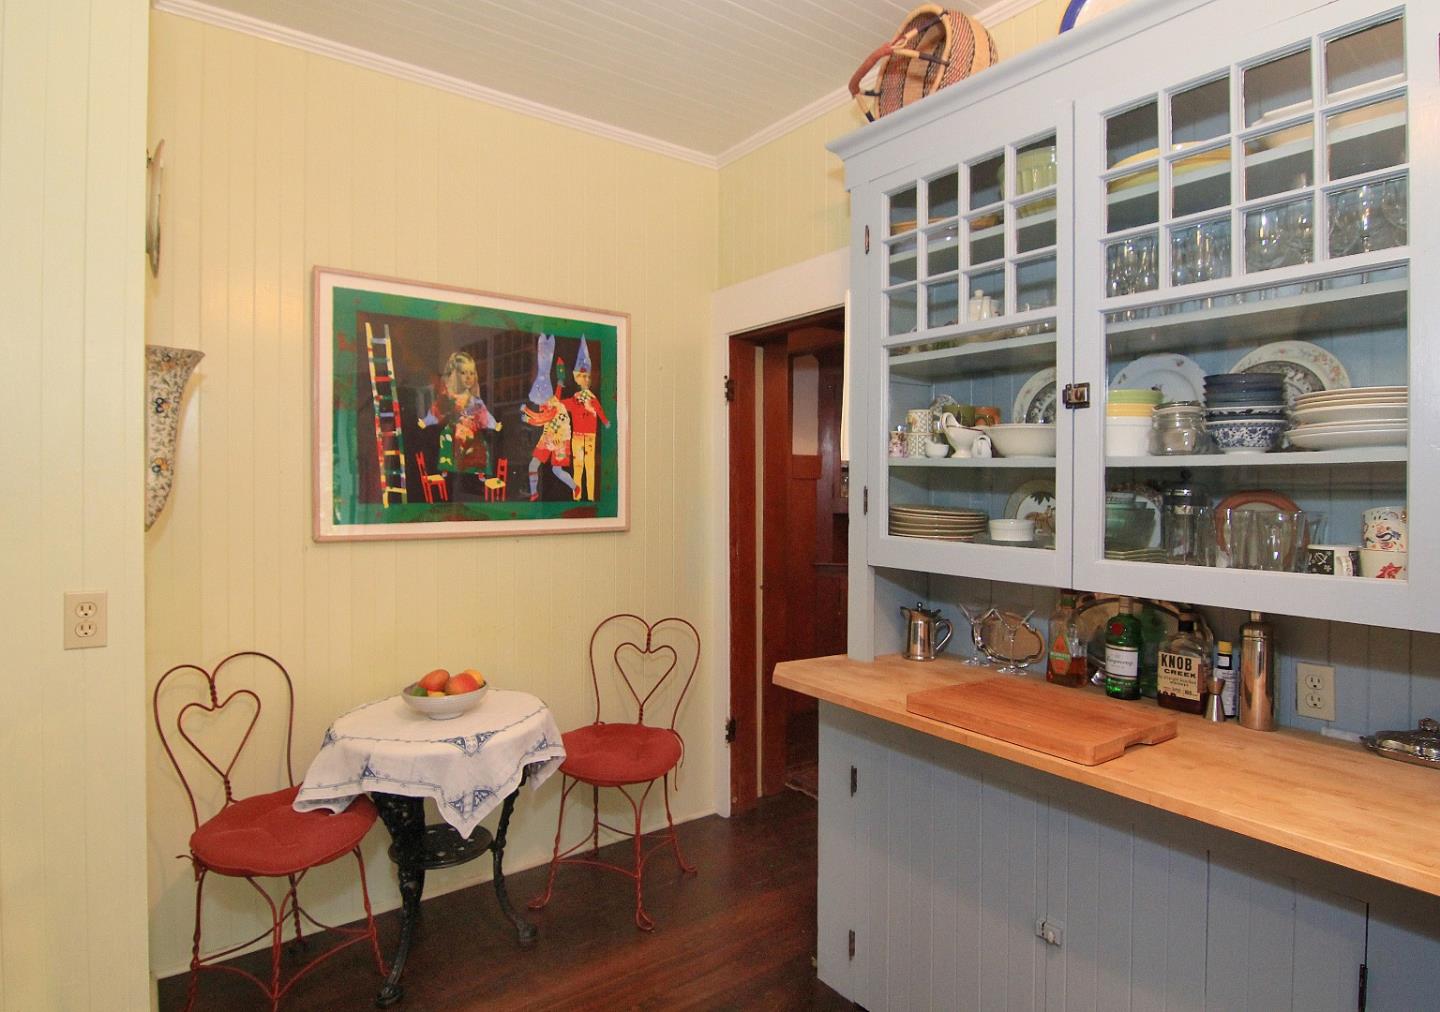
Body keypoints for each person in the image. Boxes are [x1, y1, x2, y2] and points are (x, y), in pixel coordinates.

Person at [419, 351, 500, 492]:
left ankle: (479, 474)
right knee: (447, 440)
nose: (468, 377)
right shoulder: (449, 397)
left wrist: (493, 424)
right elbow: (438, 410)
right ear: (456, 375)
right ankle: (445, 471)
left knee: (480, 446)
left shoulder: (475, 400)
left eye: (471, 373)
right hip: (453, 429)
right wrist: (426, 422)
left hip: (471, 430)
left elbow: (484, 414)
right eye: (463, 373)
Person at [520, 338, 578, 501]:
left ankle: (575, 487)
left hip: (561, 439)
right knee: (533, 464)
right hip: (547, 436)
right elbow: (544, 412)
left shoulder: (552, 405)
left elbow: (540, 419)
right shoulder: (549, 399)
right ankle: (534, 493)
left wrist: (526, 415)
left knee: (556, 470)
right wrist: (559, 382)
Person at [561, 337, 610, 501]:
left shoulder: (592, 398)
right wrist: (553, 403)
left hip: (590, 436)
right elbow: (562, 405)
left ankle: (590, 497)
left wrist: (605, 421)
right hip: (577, 437)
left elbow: (600, 411)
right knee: (578, 466)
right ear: (576, 377)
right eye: (582, 376)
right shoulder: (574, 398)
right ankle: (577, 496)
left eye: (588, 376)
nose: (586, 379)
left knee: (590, 466)